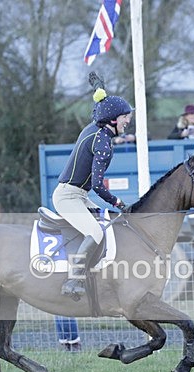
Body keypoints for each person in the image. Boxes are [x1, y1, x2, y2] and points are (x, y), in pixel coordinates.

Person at [53, 87, 131, 299]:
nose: (128, 122)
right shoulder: (104, 143)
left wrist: (103, 100)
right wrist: (119, 202)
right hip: (69, 197)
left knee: (104, 224)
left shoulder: (94, 129)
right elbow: (97, 185)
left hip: (77, 195)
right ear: (113, 119)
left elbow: (98, 111)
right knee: (96, 233)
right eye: (125, 117)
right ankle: (74, 280)